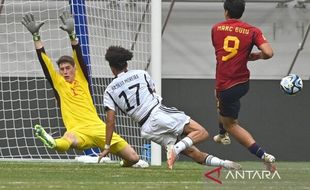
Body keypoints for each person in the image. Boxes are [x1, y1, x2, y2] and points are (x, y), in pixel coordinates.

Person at [21, 11, 147, 167]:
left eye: (68, 68)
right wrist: (36, 36)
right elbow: (44, 62)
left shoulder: (82, 78)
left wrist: (72, 35)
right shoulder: (59, 83)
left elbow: (78, 55)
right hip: (77, 130)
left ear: (75, 69)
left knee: (133, 158)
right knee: (68, 140)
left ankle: (124, 163)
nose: (65, 71)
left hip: (98, 128)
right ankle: (51, 141)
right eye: (62, 69)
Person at [97, 45, 241, 170]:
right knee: (201, 132)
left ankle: (225, 164)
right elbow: (152, 92)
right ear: (126, 63)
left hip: (147, 128)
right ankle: (175, 149)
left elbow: (110, 121)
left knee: (191, 152)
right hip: (157, 113)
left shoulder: (109, 90)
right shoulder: (141, 74)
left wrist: (107, 147)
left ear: (112, 67)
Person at [211, 0, 276, 171]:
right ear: (242, 12)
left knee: (231, 123)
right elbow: (268, 52)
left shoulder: (216, 29)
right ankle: (222, 134)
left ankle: (263, 155)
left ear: (226, 11)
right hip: (242, 83)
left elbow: (223, 51)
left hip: (225, 84)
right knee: (223, 102)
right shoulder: (252, 30)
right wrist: (256, 56)